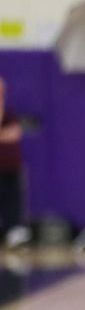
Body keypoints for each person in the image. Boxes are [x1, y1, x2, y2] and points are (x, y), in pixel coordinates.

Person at [0, 77, 31, 249]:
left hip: (11, 165)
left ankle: (14, 231)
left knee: (13, 198)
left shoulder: (9, 113)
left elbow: (15, 133)